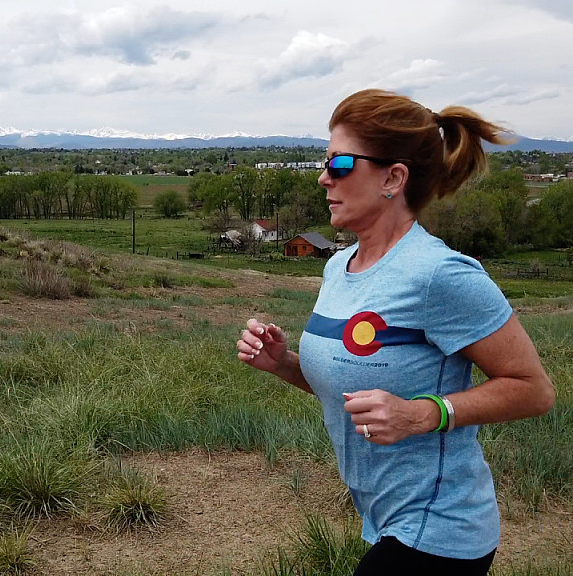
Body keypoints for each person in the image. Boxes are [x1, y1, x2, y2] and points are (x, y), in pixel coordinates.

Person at [235, 89, 554, 575]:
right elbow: (352, 385)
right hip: (384, 518)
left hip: (442, 525)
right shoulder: (339, 266)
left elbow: (534, 390)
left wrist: (421, 414)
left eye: (340, 163)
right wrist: (283, 364)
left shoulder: (441, 274)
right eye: (324, 162)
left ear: (393, 178)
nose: (324, 177)